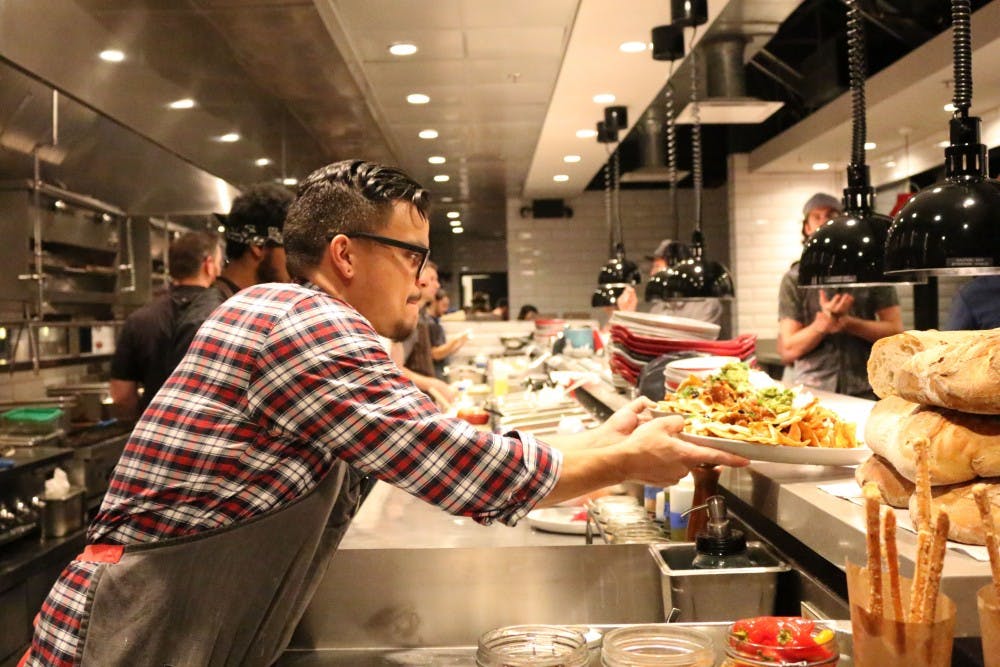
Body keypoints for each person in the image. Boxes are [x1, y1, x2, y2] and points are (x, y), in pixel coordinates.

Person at [21, 160, 747, 666]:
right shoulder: (303, 320)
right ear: (344, 253)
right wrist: (630, 458)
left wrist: (600, 437)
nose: (426, 280)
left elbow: (423, 435)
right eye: (412, 255)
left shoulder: (290, 312)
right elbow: (464, 471)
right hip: (127, 640)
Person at [777, 193, 903, 398]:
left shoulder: (872, 270)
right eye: (816, 217)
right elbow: (789, 347)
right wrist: (822, 324)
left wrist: (847, 323)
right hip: (812, 391)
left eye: (831, 215)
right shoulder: (794, 279)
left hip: (867, 387)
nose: (824, 222)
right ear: (806, 228)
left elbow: (895, 330)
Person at [171, 182, 295, 366]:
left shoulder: (242, 307)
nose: (292, 261)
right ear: (258, 247)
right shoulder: (209, 321)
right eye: (288, 248)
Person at [109, 230, 222, 420]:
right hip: (209, 435)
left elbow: (121, 395)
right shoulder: (222, 316)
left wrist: (146, 421)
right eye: (219, 264)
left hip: (153, 435)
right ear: (208, 265)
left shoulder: (139, 320)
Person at [390, 261, 459, 402]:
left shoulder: (421, 316)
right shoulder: (404, 318)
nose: (437, 285)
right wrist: (432, 384)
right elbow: (395, 368)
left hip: (422, 399)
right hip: (409, 400)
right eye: (432, 279)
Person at [616, 239, 723, 325]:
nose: (652, 273)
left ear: (678, 271)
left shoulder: (706, 304)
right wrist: (629, 314)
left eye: (657, 267)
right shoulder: (657, 309)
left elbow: (695, 344)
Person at [429, 289, 468, 379]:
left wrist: (462, 341)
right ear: (435, 302)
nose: (446, 309)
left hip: (440, 373)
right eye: (444, 305)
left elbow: (446, 351)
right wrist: (455, 339)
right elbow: (435, 354)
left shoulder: (437, 323)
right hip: (434, 375)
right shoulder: (429, 324)